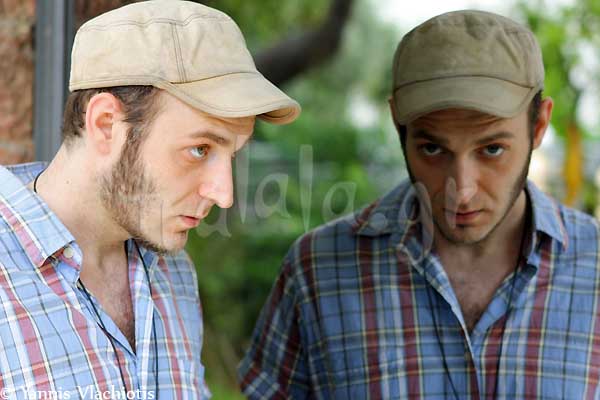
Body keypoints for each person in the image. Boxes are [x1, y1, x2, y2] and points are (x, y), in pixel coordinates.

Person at [239, 9, 600, 399]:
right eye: (432, 149)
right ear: (398, 124)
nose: (461, 190)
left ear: (539, 125)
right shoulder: (317, 271)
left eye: (492, 149)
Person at [0, 1, 299, 399]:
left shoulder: (173, 273)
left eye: (232, 154)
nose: (224, 194)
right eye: (199, 149)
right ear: (106, 125)